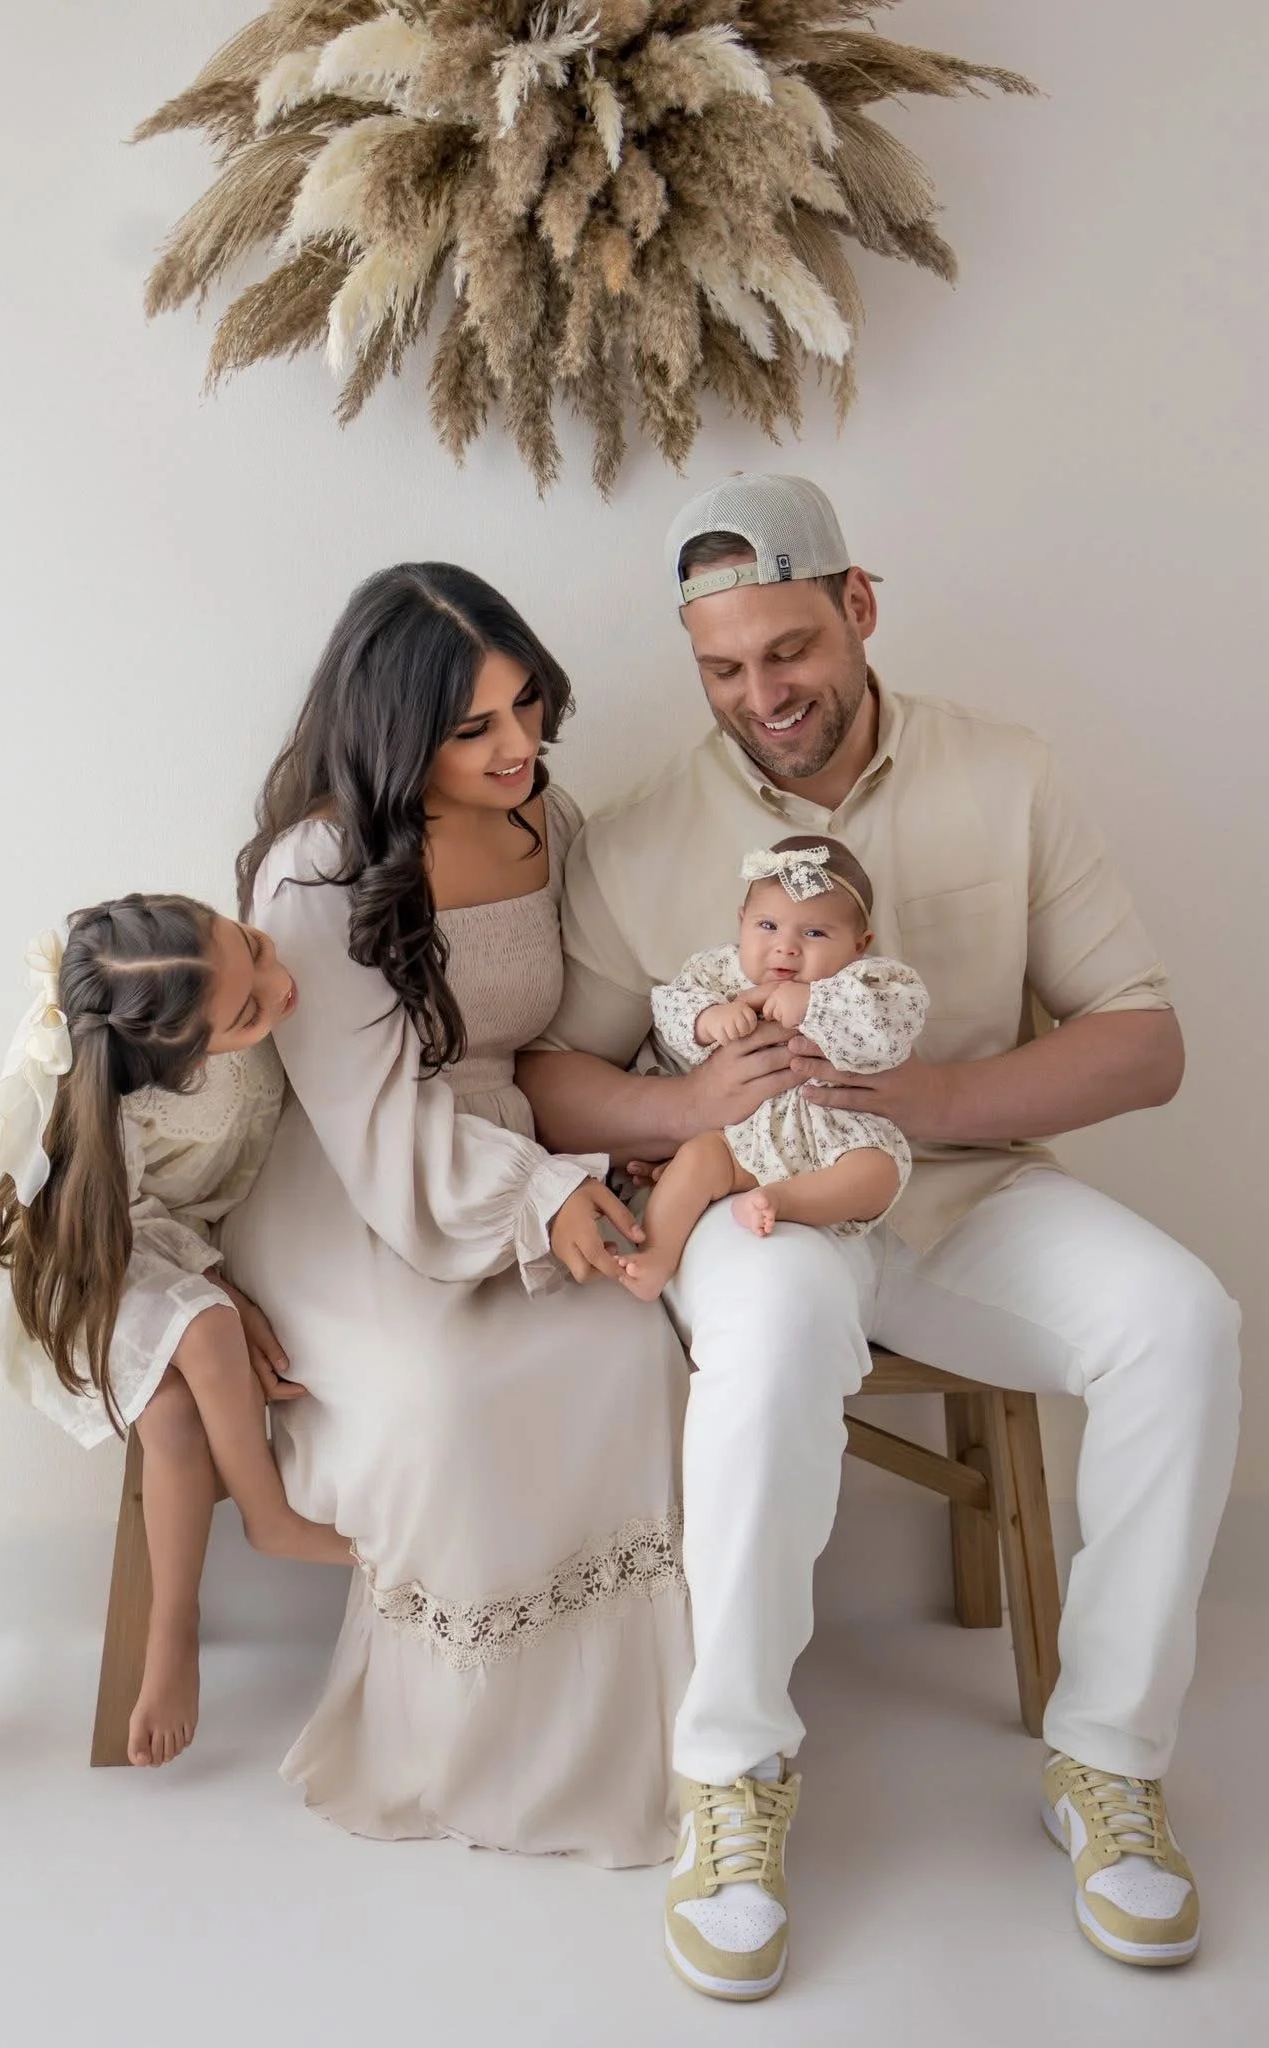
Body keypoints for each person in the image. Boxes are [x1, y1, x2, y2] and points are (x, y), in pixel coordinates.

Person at [519, 474, 1241, 1996]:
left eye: (786, 649)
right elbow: (549, 1076)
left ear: (856, 606)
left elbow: (1142, 1042)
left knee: (1182, 1321)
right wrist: (688, 1104)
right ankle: (731, 1777)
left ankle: (1105, 1762)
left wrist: (937, 1092)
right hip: (761, 1204)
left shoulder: (1007, 771)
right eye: (722, 667)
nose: (759, 694)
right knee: (776, 1325)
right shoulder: (640, 832)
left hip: (965, 1189)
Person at [218, 563, 692, 1866]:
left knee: (626, 1355)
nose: (519, 746)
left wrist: (638, 1137)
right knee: (445, 1396)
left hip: (524, 1152)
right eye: (476, 726)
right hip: (357, 1184)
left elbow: (597, 1011)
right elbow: (374, 1128)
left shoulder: (549, 816)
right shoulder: (318, 873)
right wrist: (543, 1197)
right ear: (391, 729)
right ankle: (454, 1750)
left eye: (528, 707)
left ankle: (631, 1753)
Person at [0, 897, 352, 1769]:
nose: (280, 983)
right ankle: (268, 1518)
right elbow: (123, 1226)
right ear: (172, 1063)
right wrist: (216, 1284)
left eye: (256, 950)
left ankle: (173, 1625)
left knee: (177, 1415)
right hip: (101, 1255)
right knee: (208, 1323)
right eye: (250, 1011)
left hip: (181, 1237)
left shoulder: (191, 974)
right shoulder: (106, 1101)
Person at [621, 833, 926, 1301]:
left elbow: (893, 1026)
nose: (785, 948)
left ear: (859, 944)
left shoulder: (865, 982)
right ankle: (658, 1256)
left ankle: (784, 1202)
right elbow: (669, 1005)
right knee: (698, 1159)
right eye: (767, 926)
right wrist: (707, 1019)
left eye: (814, 933)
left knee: (878, 1172)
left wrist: (814, 1004)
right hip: (743, 1138)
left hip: (839, 1137)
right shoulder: (718, 973)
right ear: (741, 923)